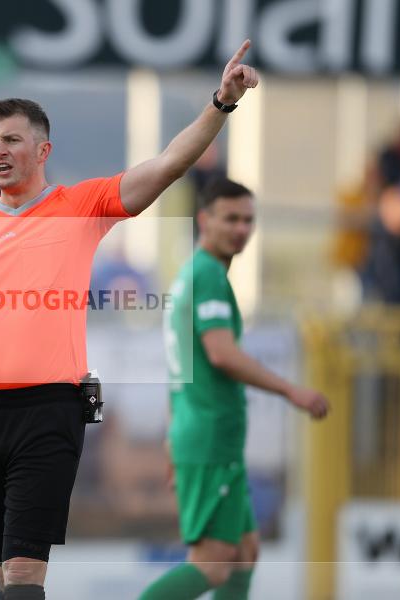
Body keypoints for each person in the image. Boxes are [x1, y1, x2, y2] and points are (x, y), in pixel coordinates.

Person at [0, 41, 261, 600]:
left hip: (49, 412)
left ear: (42, 149)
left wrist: (221, 104)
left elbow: (170, 163)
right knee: (6, 576)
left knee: (26, 573)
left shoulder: (81, 207)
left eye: (12, 140)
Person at [142, 178, 330, 600]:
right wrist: (289, 390)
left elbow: (181, 371)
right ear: (205, 220)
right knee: (212, 564)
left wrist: (173, 438)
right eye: (230, 219)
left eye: (248, 220)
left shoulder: (193, 273)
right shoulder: (207, 275)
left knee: (244, 553)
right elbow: (221, 353)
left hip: (207, 438)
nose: (241, 229)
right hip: (209, 440)